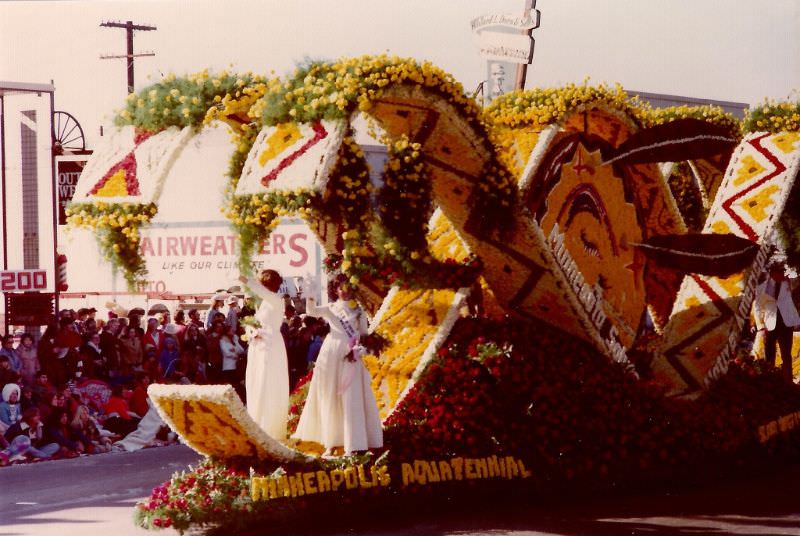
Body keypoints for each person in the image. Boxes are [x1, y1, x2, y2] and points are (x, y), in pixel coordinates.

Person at [293, 274, 383, 456]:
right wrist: (310, 295)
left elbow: (365, 334)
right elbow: (312, 312)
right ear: (335, 289)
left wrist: (362, 348)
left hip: (351, 354)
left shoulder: (359, 310)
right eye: (340, 287)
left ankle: (355, 442)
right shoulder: (330, 308)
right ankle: (331, 442)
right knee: (330, 396)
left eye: (347, 286)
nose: (344, 290)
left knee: (352, 397)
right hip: (331, 353)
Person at [238, 269, 289, 438]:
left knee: (269, 383)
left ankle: (270, 427)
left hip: (271, 347)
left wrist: (243, 278)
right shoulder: (265, 303)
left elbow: (257, 290)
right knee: (257, 382)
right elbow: (259, 324)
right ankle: (257, 422)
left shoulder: (275, 299)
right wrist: (251, 330)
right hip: (259, 346)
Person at [753, 261, 800, 382]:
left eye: (782, 272)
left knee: (786, 354)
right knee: (769, 354)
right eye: (779, 272)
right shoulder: (761, 288)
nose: (781, 274)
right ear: (772, 273)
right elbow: (757, 307)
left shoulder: (788, 284)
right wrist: (760, 326)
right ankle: (770, 380)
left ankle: (788, 381)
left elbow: (797, 281)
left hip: (786, 323)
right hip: (771, 324)